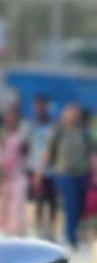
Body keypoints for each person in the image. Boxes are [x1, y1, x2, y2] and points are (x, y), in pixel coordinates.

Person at [45, 102, 93, 248]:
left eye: (75, 115)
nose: (72, 117)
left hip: (82, 173)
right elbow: (50, 152)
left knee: (79, 206)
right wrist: (41, 171)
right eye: (69, 114)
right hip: (64, 173)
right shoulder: (59, 132)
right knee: (71, 204)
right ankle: (71, 236)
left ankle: (73, 232)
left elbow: (92, 154)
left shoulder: (84, 133)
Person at [0, 104, 29, 236]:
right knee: (4, 203)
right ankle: (5, 230)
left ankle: (16, 230)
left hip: (18, 174)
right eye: (9, 117)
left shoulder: (22, 136)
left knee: (17, 203)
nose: (11, 120)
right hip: (5, 174)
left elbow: (26, 153)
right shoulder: (2, 134)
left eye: (14, 117)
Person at [27, 94, 58, 239]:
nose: (40, 108)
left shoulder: (54, 125)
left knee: (52, 200)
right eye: (38, 105)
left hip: (53, 169)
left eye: (42, 105)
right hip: (36, 168)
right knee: (39, 198)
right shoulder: (32, 124)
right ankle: (38, 228)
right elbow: (28, 146)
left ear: (47, 106)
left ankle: (51, 229)